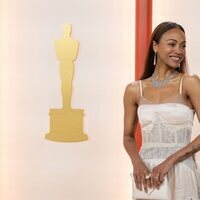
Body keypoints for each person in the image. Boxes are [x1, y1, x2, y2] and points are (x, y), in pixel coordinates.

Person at [123, 21, 200, 199]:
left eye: (183, 45)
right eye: (172, 44)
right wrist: (137, 164)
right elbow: (128, 137)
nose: (179, 51)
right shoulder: (134, 89)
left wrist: (170, 161)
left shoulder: (189, 82)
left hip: (181, 170)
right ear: (155, 47)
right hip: (146, 175)